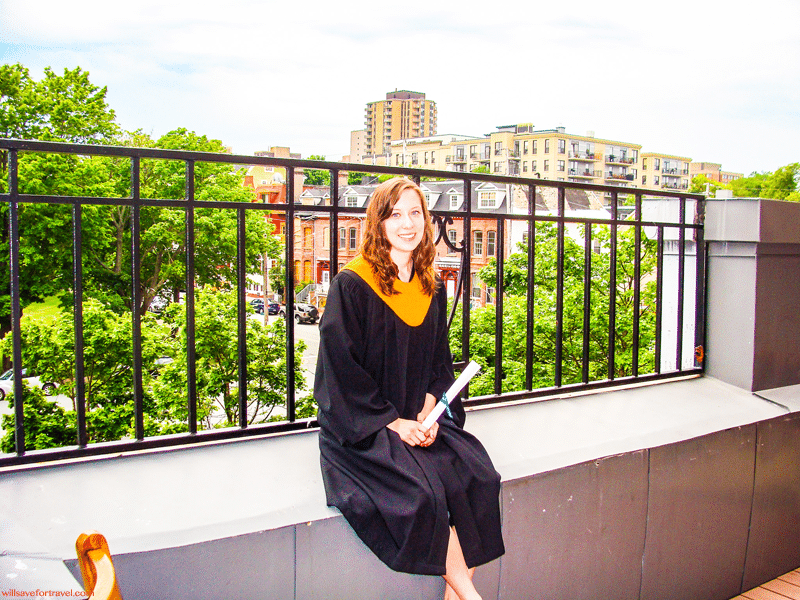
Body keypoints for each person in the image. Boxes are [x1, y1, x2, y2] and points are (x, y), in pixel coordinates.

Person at [315, 178, 505, 600]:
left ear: (427, 220)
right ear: (378, 223)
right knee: (424, 495)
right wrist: (394, 423)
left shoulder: (430, 285)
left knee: (479, 478)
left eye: (415, 213)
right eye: (394, 214)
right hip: (368, 426)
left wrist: (430, 407)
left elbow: (439, 360)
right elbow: (340, 368)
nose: (407, 224)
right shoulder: (353, 284)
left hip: (417, 419)